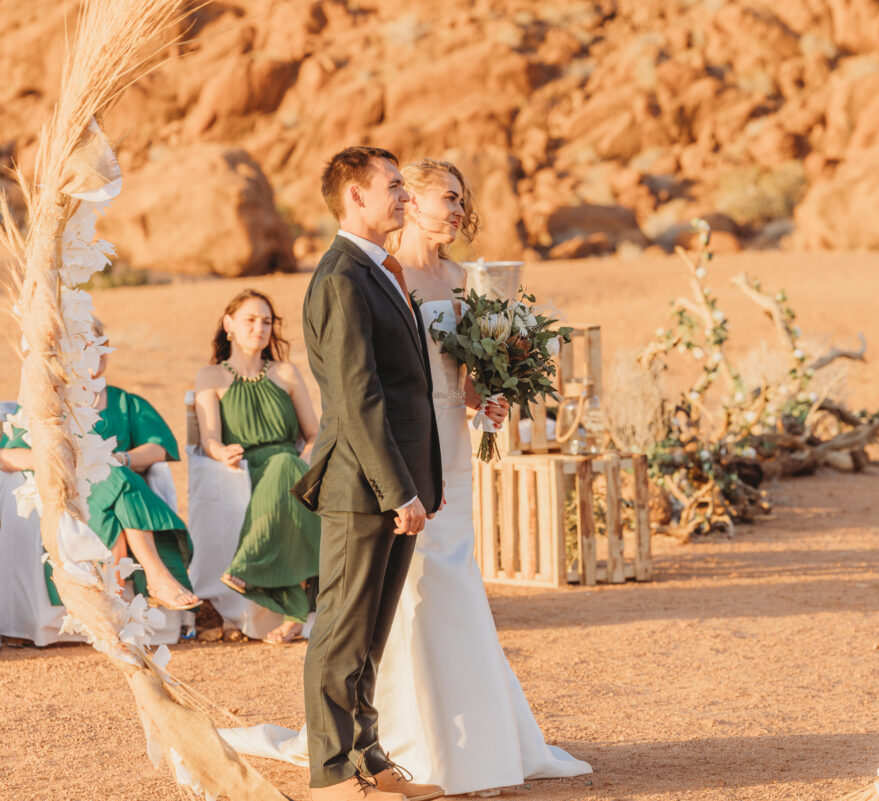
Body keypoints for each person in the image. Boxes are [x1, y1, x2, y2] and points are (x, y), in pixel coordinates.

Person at [374, 158, 593, 795]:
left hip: (454, 445)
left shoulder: (460, 279)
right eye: (446, 197)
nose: (457, 209)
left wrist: (489, 398)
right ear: (407, 200)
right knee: (414, 583)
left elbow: (465, 382)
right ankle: (415, 736)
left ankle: (480, 740)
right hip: (405, 447)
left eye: (461, 199)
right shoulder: (383, 275)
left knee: (456, 572)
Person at [291, 146, 446, 801]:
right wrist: (398, 489)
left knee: (371, 635)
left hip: (390, 483)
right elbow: (357, 396)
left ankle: (369, 758)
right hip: (363, 488)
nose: (405, 196)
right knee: (340, 631)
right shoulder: (342, 277)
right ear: (354, 196)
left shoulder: (375, 269)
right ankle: (330, 773)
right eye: (392, 187)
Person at [0, 319, 198, 611]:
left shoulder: (124, 402)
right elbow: (9, 456)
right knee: (114, 475)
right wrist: (66, 464)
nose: (97, 352)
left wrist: (123, 459)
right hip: (72, 492)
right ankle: (156, 576)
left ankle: (125, 585)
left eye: (101, 345)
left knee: (113, 472)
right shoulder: (49, 404)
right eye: (84, 345)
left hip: (115, 488)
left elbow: (158, 447)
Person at [193, 289, 322, 645]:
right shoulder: (211, 376)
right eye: (250, 320)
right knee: (285, 474)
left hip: (293, 465)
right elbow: (209, 438)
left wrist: (307, 457)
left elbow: (314, 433)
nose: (260, 328)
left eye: (266, 321)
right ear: (229, 324)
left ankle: (246, 570)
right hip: (246, 468)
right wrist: (222, 453)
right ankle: (297, 609)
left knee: (286, 465)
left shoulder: (286, 372)